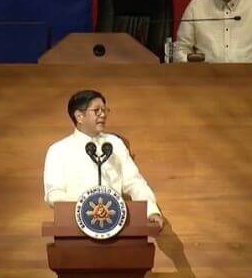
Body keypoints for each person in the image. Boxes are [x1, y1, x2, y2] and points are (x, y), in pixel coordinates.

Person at [43, 90, 164, 230]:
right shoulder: (58, 150)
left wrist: (151, 211)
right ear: (79, 116)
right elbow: (53, 194)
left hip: (116, 226)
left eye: (105, 110)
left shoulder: (115, 144)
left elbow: (134, 183)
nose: (103, 114)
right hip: (73, 227)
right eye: (96, 110)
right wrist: (86, 208)